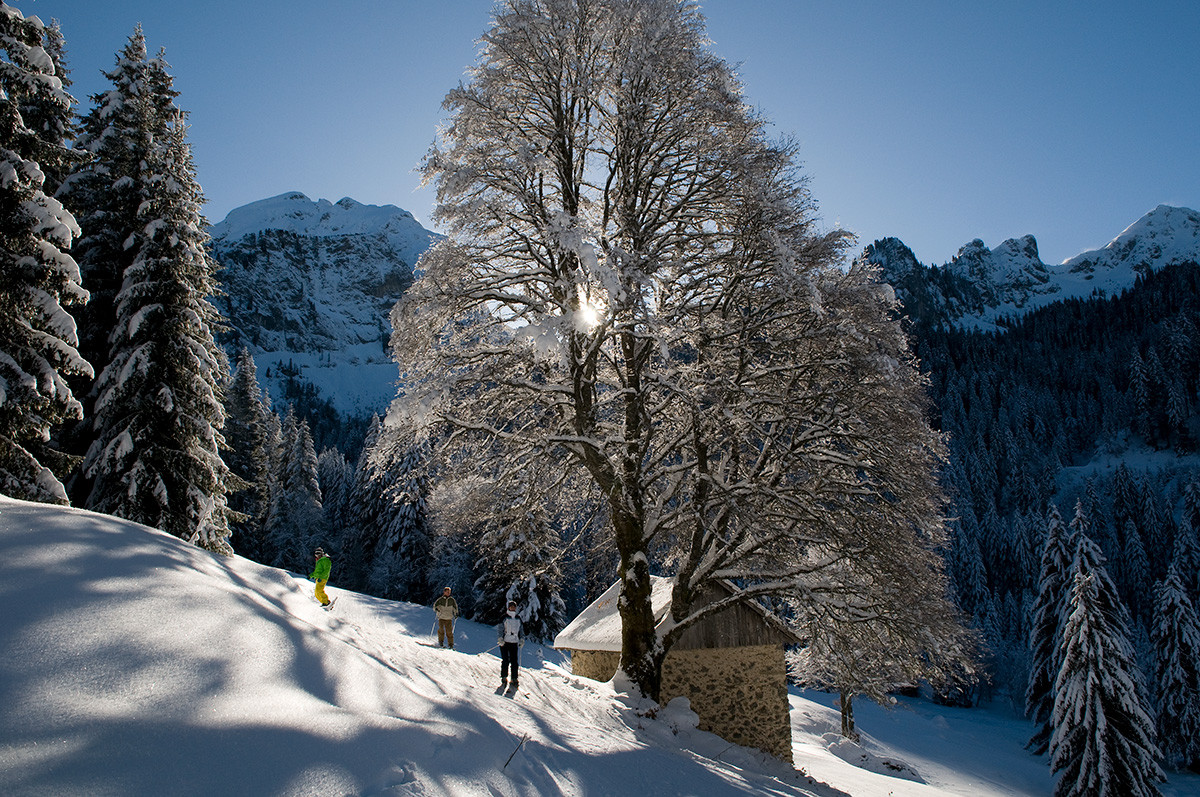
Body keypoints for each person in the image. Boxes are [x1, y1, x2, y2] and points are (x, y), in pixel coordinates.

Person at [497, 600, 524, 691]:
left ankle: (514, 678)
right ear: (508, 607)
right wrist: (500, 638)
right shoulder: (504, 617)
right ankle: (504, 677)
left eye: (514, 607)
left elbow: (521, 630)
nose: (513, 608)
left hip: (514, 642)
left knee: (514, 661)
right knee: (505, 660)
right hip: (505, 642)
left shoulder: (518, 618)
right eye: (511, 606)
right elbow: (500, 628)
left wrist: (521, 639)